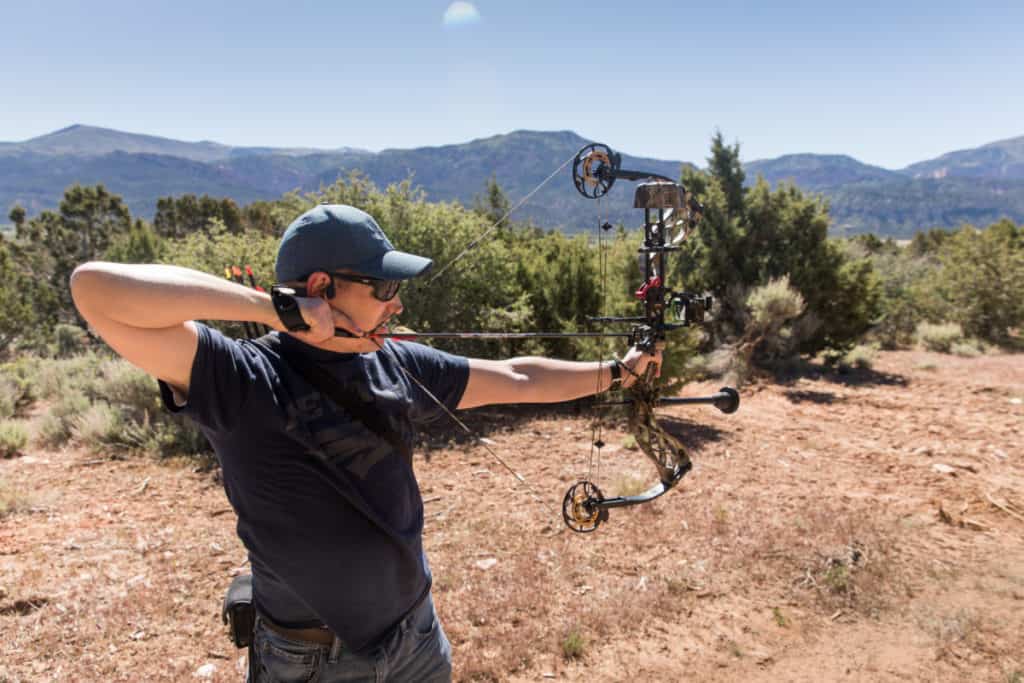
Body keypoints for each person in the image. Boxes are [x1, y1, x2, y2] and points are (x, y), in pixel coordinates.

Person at [70, 204, 660, 682]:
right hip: (311, 662)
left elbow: (516, 377)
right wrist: (272, 310)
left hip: (417, 639)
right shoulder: (241, 377)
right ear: (321, 288)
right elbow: (93, 289)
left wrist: (617, 372)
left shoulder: (393, 361)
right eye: (384, 286)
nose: (397, 302)